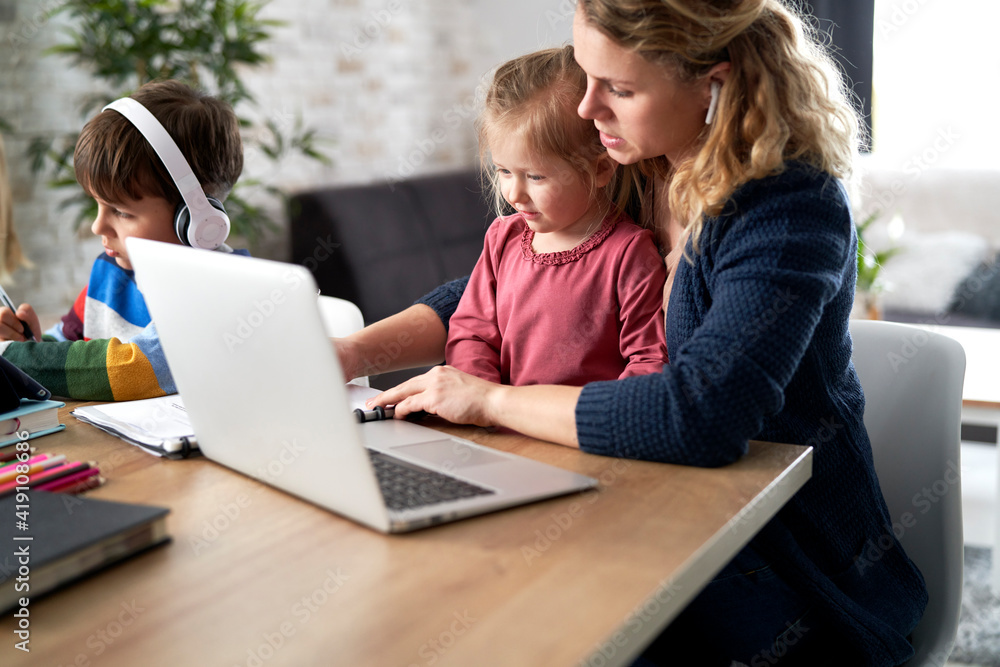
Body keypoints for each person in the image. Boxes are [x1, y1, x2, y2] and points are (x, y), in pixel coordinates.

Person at [338, 1, 928, 664]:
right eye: (587, 78)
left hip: (784, 561)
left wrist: (489, 399)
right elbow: (502, 287)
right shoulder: (644, 168)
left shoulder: (790, 208)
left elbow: (700, 413)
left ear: (714, 84)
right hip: (642, 500)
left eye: (618, 88)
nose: (587, 110)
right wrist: (352, 352)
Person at [0, 80, 245, 402]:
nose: (97, 225)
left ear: (196, 218)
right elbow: (71, 347)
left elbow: (133, 369)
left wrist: (11, 358)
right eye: (97, 205)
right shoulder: (109, 273)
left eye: (121, 212)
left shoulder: (222, 286)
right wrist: (32, 344)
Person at [448, 45, 667, 387]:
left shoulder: (629, 254)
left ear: (600, 169)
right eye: (504, 171)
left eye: (535, 177)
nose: (514, 194)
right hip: (499, 431)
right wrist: (480, 401)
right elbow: (471, 334)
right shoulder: (501, 238)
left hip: (578, 435)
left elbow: (649, 360)